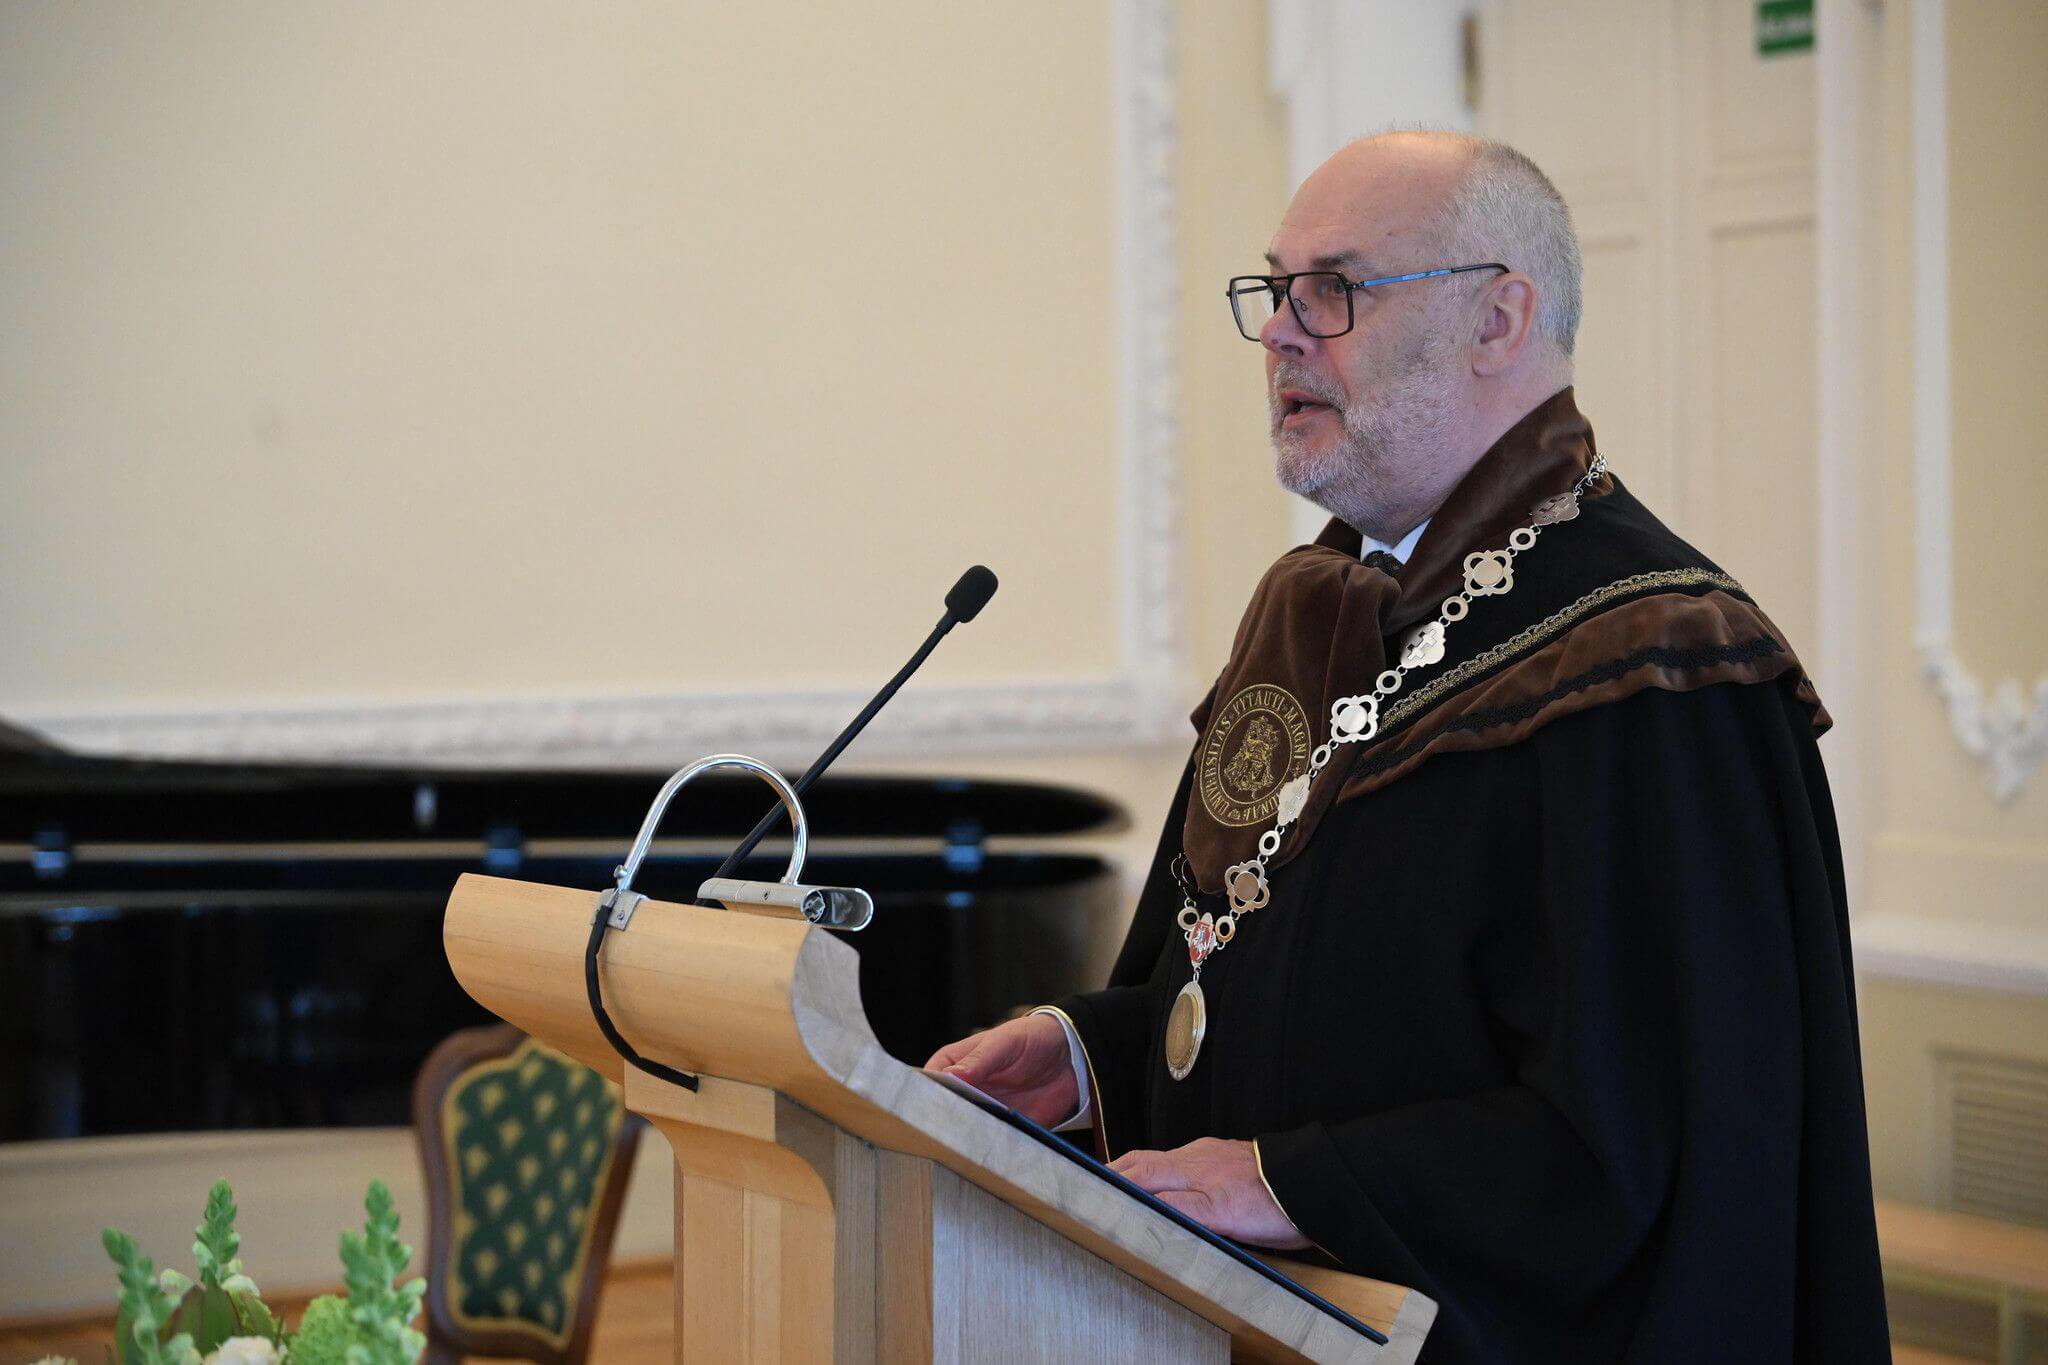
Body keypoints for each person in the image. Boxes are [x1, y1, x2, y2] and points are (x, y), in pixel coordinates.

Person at [925, 131, 1891, 1362]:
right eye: (1272, 290)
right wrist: (1088, 1052)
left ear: (1498, 317)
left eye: (1332, 289)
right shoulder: (1310, 612)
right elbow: (1273, 991)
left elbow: (1653, 1149)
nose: (1279, 331)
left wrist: (1293, 1185)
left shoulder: (1652, 667)